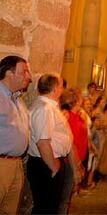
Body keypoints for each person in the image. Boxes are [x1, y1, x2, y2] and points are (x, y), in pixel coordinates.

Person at [27, 74, 73, 214]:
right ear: (55, 89)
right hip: (46, 164)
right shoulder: (44, 108)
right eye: (60, 86)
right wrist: (53, 166)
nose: (62, 89)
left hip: (47, 162)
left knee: (49, 206)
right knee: (46, 208)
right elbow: (43, 142)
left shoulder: (48, 107)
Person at [0, 55, 32, 214]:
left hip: (16, 165)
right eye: (24, 71)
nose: (29, 77)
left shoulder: (18, 99)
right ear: (9, 73)